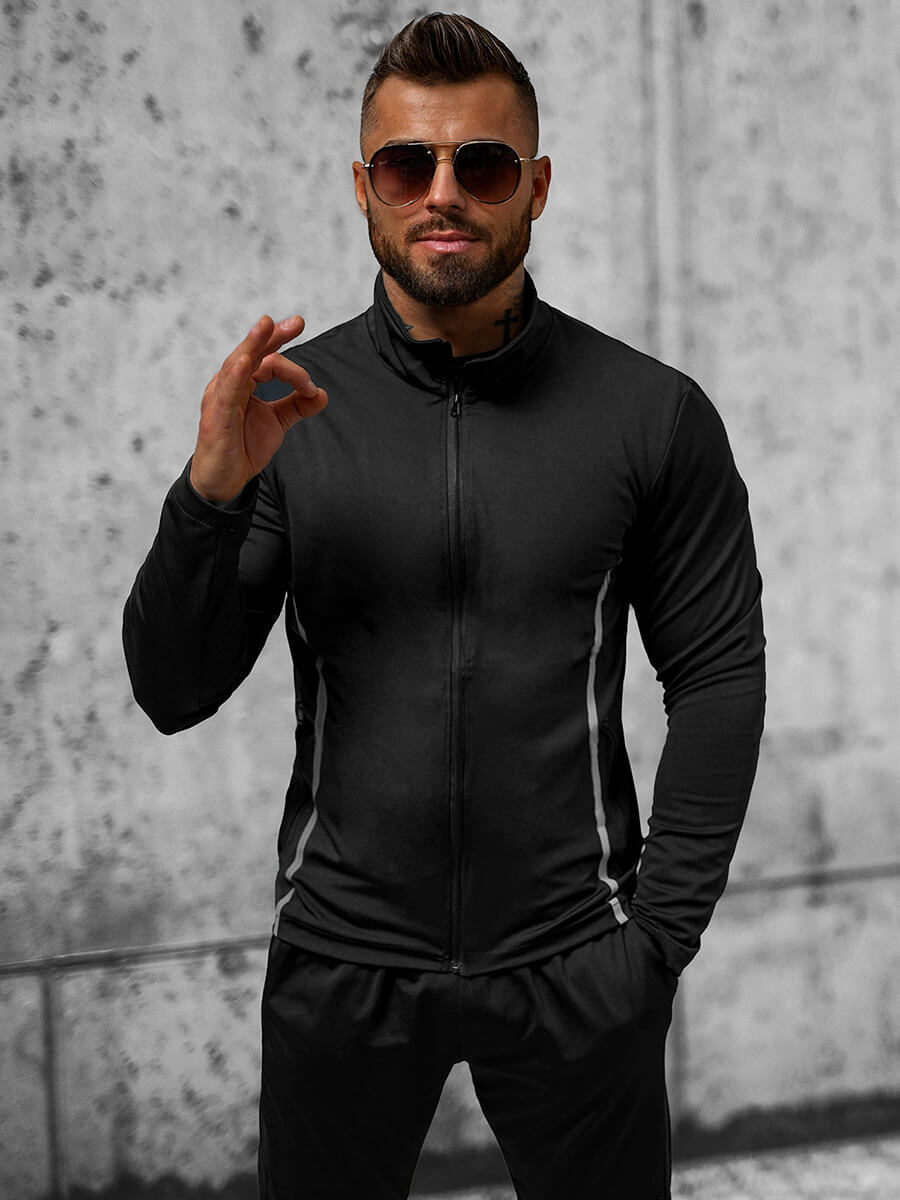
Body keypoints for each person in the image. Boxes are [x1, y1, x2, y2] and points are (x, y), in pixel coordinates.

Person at [123, 13, 765, 1199]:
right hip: (342, 964)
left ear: (537, 186)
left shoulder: (649, 414)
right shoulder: (292, 416)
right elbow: (172, 689)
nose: (443, 194)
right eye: (406, 164)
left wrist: (654, 953)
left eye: (483, 164)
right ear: (362, 185)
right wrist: (210, 494)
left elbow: (718, 678)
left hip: (578, 962)